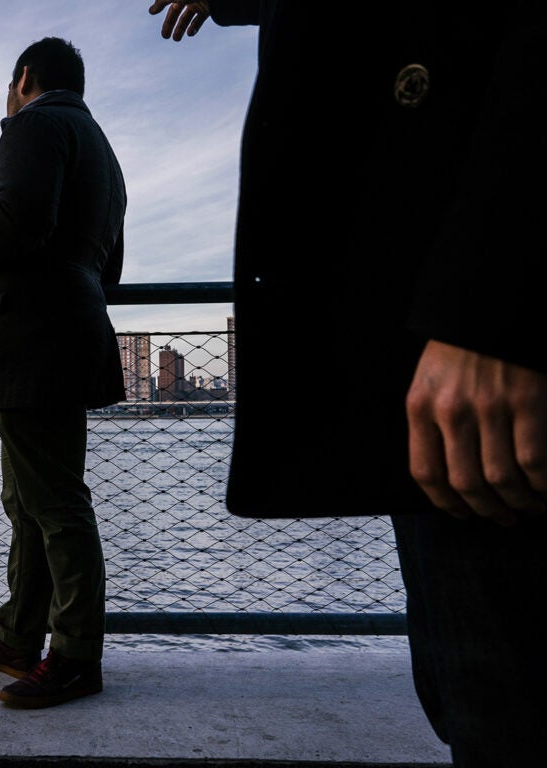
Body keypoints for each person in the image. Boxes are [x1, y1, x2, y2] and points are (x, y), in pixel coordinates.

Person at [148, 2, 546, 765]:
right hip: (415, 336)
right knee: (461, 684)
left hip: (474, 347)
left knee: (507, 698)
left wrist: (493, 310)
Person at [0, 36, 127, 709]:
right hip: (68, 329)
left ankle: (75, 655)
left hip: (29, 337)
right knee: (31, 501)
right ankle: (18, 634)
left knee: (53, 505)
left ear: (24, 77)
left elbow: (17, 219)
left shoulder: (32, 125)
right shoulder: (99, 146)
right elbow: (109, 261)